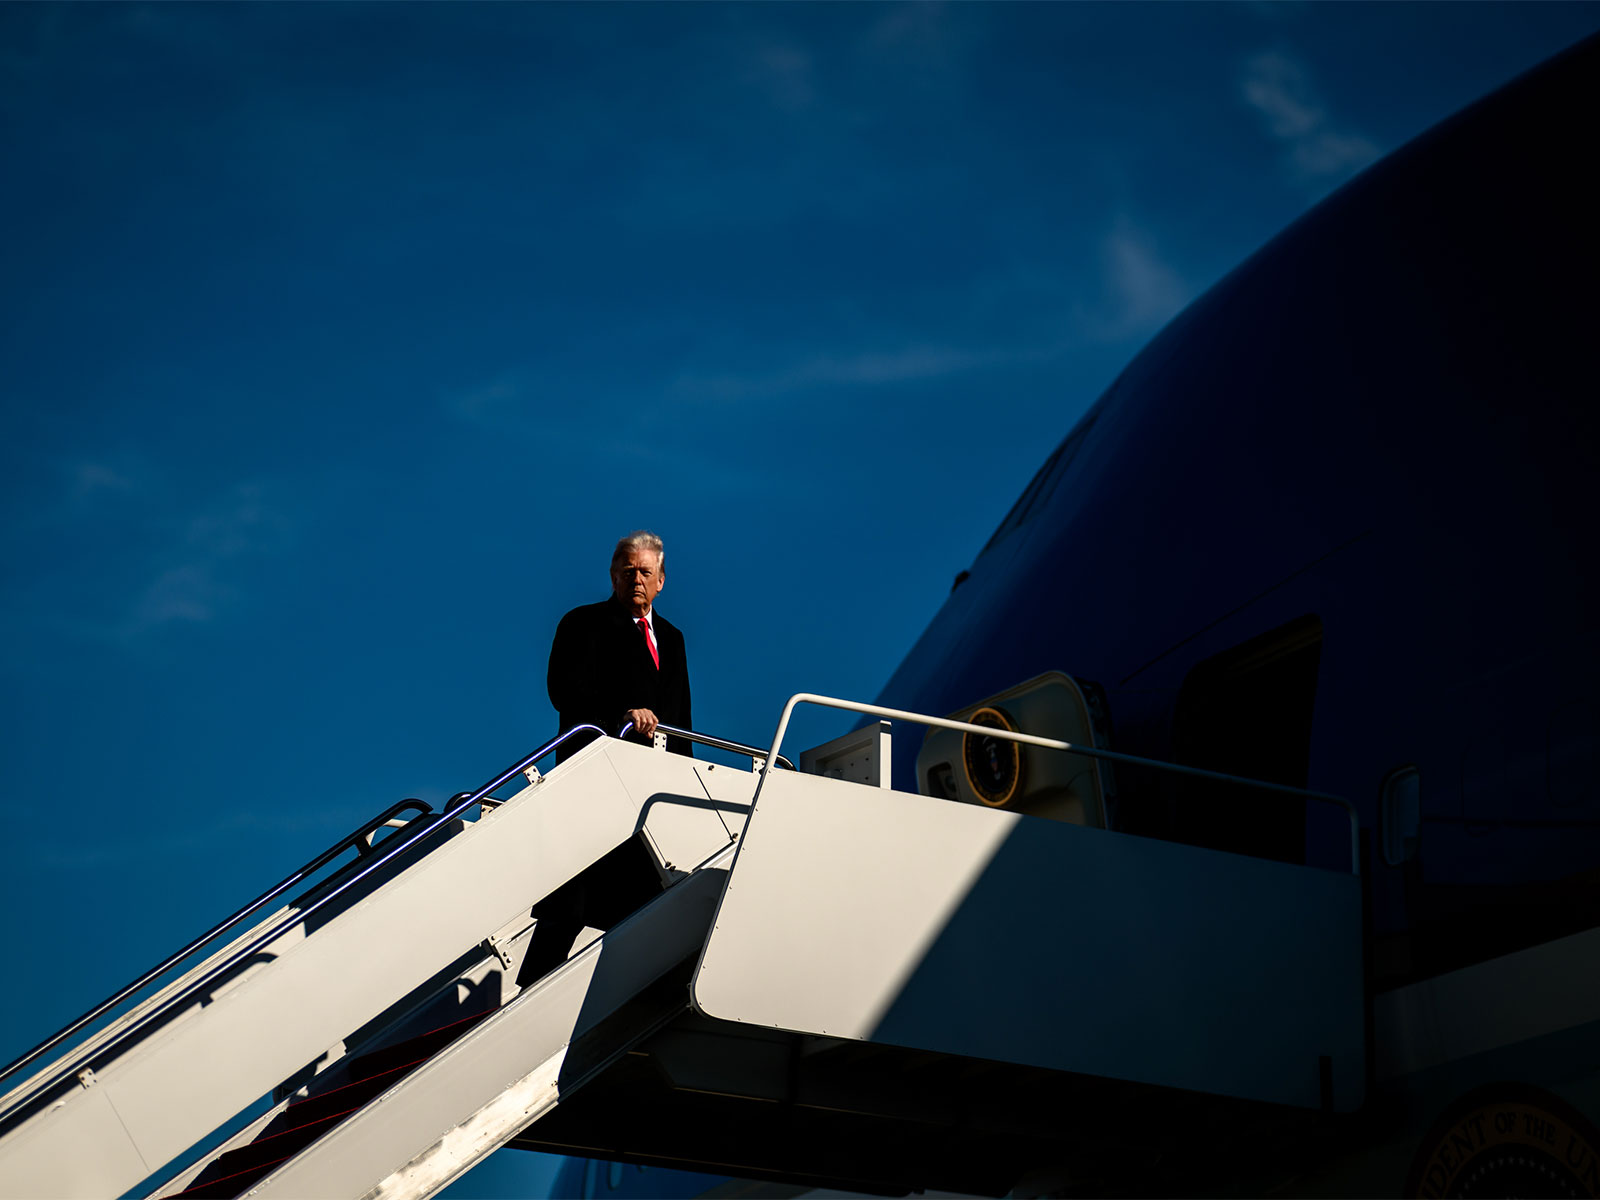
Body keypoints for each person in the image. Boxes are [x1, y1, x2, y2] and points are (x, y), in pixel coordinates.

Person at [546, 530, 693, 761]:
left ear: (661, 581)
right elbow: (564, 691)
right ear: (614, 579)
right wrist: (623, 715)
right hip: (599, 761)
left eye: (645, 572)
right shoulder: (582, 622)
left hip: (662, 771)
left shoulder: (673, 638)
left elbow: (682, 718)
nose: (637, 580)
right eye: (628, 572)